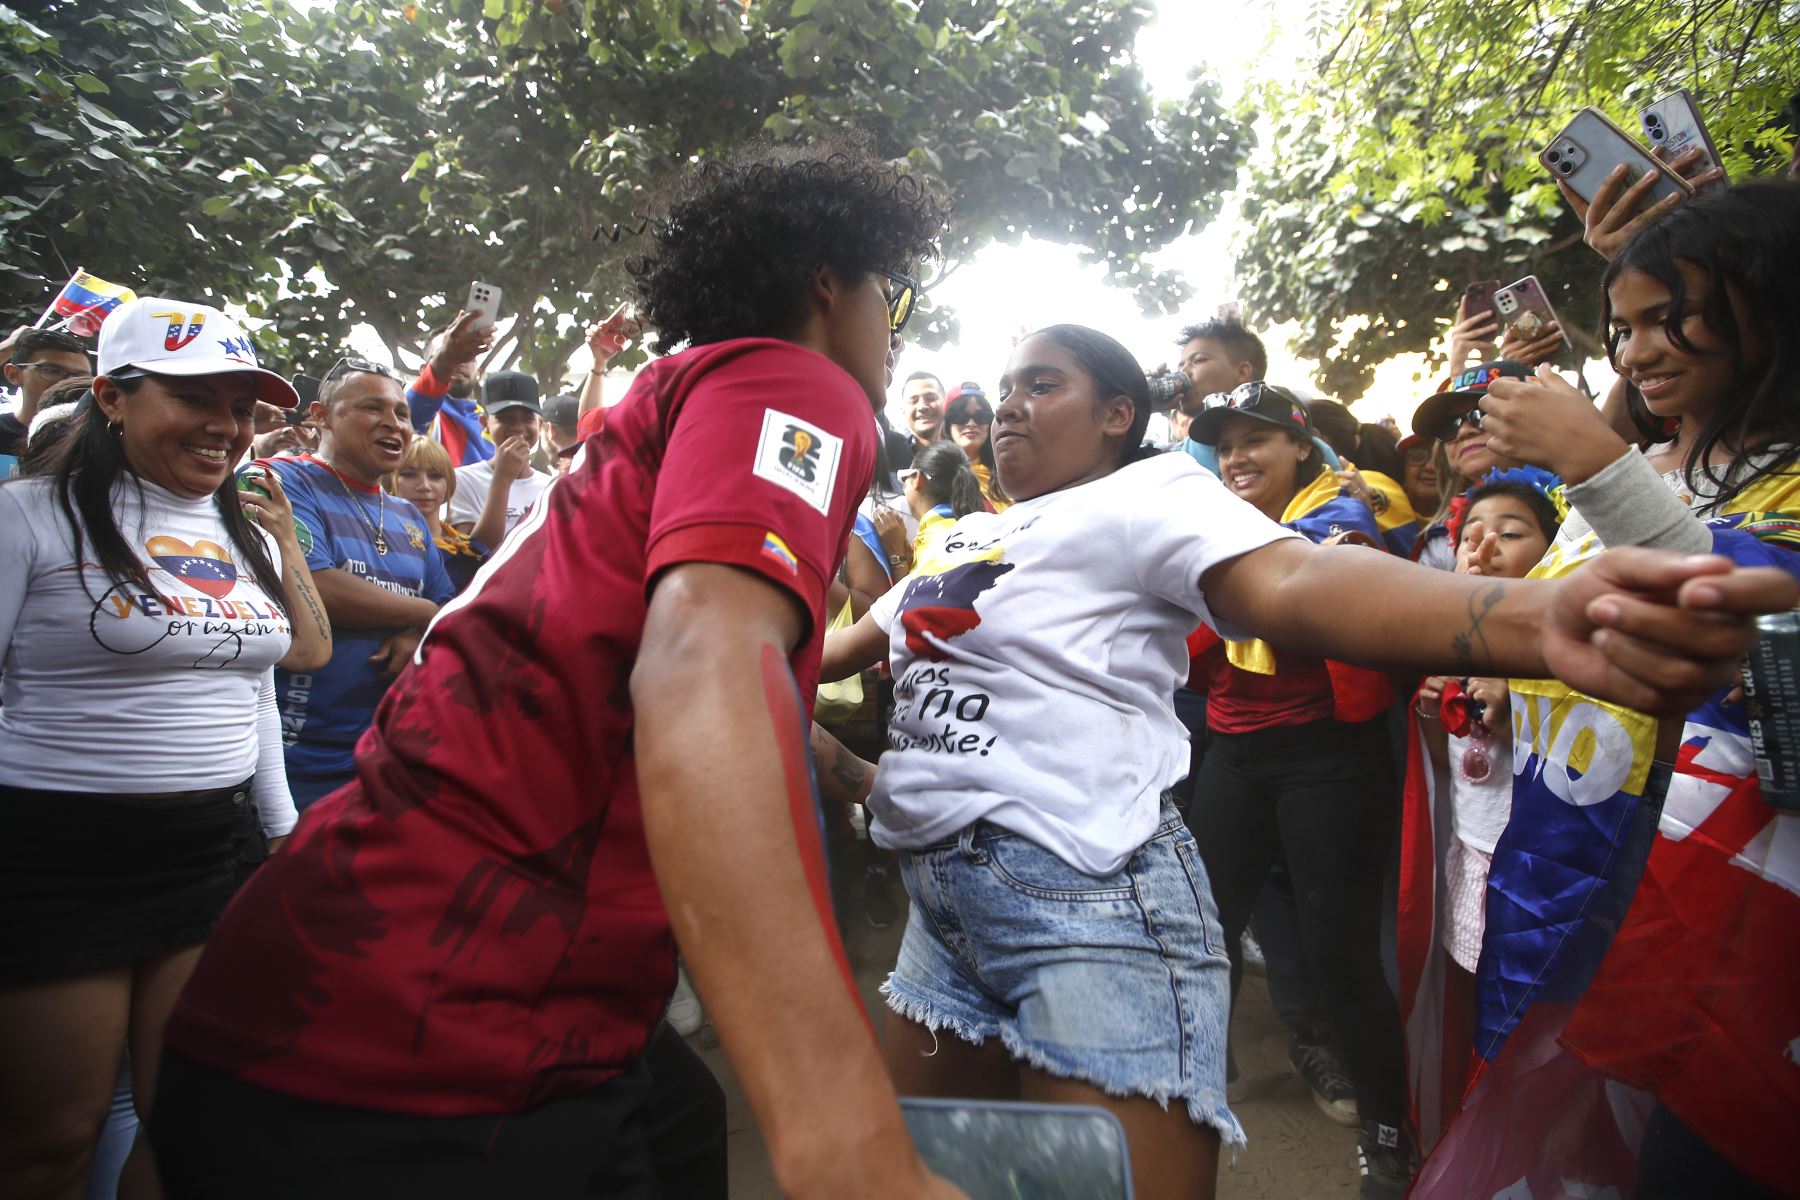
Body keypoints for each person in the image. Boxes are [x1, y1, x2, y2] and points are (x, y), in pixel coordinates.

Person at [153, 133, 963, 1200]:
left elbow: (645, 681)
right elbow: (699, 674)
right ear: (826, 280)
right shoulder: (798, 383)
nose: (892, 337)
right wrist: (845, 1140)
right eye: (890, 297)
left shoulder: (665, 407)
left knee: (684, 1118)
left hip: (301, 996)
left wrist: (857, 780)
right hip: (431, 1055)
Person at [816, 322, 1793, 1200]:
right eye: (1004, 388)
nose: (1011, 408)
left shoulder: (1149, 495)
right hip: (941, 917)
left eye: (1043, 384)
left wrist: (1538, 618)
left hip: (1081, 909)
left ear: (1120, 416)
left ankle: (1380, 1125)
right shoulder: (964, 537)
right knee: (950, 1179)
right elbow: (822, 661)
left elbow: (1298, 577)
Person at [0, 297, 331, 1197]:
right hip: (58, 859)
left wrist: (279, 829)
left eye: (238, 404)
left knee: (189, 1119)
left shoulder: (243, 528)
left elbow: (272, 672)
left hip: (211, 852)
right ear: (111, 396)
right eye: (195, 398)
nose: (224, 426)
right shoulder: (25, 518)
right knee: (53, 1140)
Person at [256, 356, 455, 810]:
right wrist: (425, 615)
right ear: (320, 416)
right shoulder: (278, 480)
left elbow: (448, 603)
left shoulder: (407, 514)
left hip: (387, 754)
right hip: (294, 757)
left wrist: (415, 634)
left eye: (402, 414)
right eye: (372, 409)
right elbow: (317, 587)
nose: (394, 424)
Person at [1408, 361, 1528, 569]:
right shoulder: (1439, 543)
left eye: (1481, 414)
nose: (1464, 432)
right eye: (1451, 425)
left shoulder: (1587, 489)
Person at [448, 371, 553, 547]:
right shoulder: (461, 480)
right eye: (506, 419)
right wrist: (502, 480)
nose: (519, 428)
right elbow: (475, 552)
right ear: (485, 424)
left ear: (540, 425)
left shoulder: (552, 487)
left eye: (527, 419)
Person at [387, 435, 487, 595]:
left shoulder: (472, 554)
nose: (424, 486)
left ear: (448, 484)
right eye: (409, 474)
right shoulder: (373, 544)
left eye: (435, 476)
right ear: (389, 481)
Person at [406, 310, 497, 466]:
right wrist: (446, 358)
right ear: (424, 371)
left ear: (479, 372)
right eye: (449, 353)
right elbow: (413, 411)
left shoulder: (493, 422)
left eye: (467, 355)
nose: (459, 361)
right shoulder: (423, 412)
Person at [2, 327, 91, 464]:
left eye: (80, 376)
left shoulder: (99, 439)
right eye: (52, 371)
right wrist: (9, 345)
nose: (68, 382)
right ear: (13, 374)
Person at [901, 439, 985, 565]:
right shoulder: (978, 530)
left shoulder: (934, 538)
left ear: (918, 479)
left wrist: (896, 555)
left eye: (904, 477)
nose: (903, 485)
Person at [940, 382, 1010, 510]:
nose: (971, 423)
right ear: (947, 424)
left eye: (981, 416)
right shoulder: (933, 476)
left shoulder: (1009, 472)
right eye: (961, 416)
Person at [900, 370, 946, 451]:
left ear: (945, 402)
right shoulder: (891, 451)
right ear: (903, 411)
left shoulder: (966, 451)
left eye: (931, 398)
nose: (922, 407)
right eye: (914, 401)